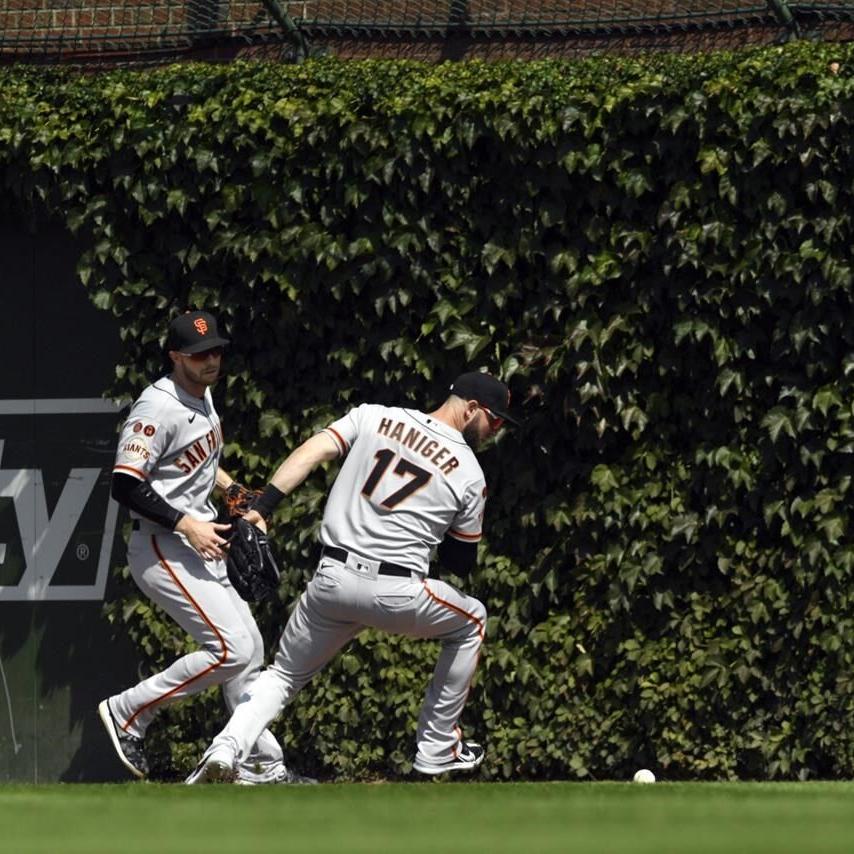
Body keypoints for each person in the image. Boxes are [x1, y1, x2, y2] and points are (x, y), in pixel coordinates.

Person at [186, 370, 518, 783]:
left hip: (332, 579)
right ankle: (436, 749)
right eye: (495, 419)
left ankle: (225, 747)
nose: (495, 429)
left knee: (283, 676)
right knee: (473, 620)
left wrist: (263, 507)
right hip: (397, 592)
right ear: (471, 408)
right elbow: (460, 562)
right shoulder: (470, 473)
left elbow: (312, 452)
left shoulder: (374, 416)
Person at [98, 309, 312, 785]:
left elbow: (196, 461)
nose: (211, 359)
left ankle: (259, 761)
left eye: (215, 349)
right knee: (231, 650)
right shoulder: (157, 407)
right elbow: (125, 485)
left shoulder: (203, 394)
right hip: (162, 545)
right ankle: (130, 710)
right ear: (176, 357)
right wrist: (186, 523)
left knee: (250, 649)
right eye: (199, 355)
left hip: (199, 542)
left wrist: (235, 495)